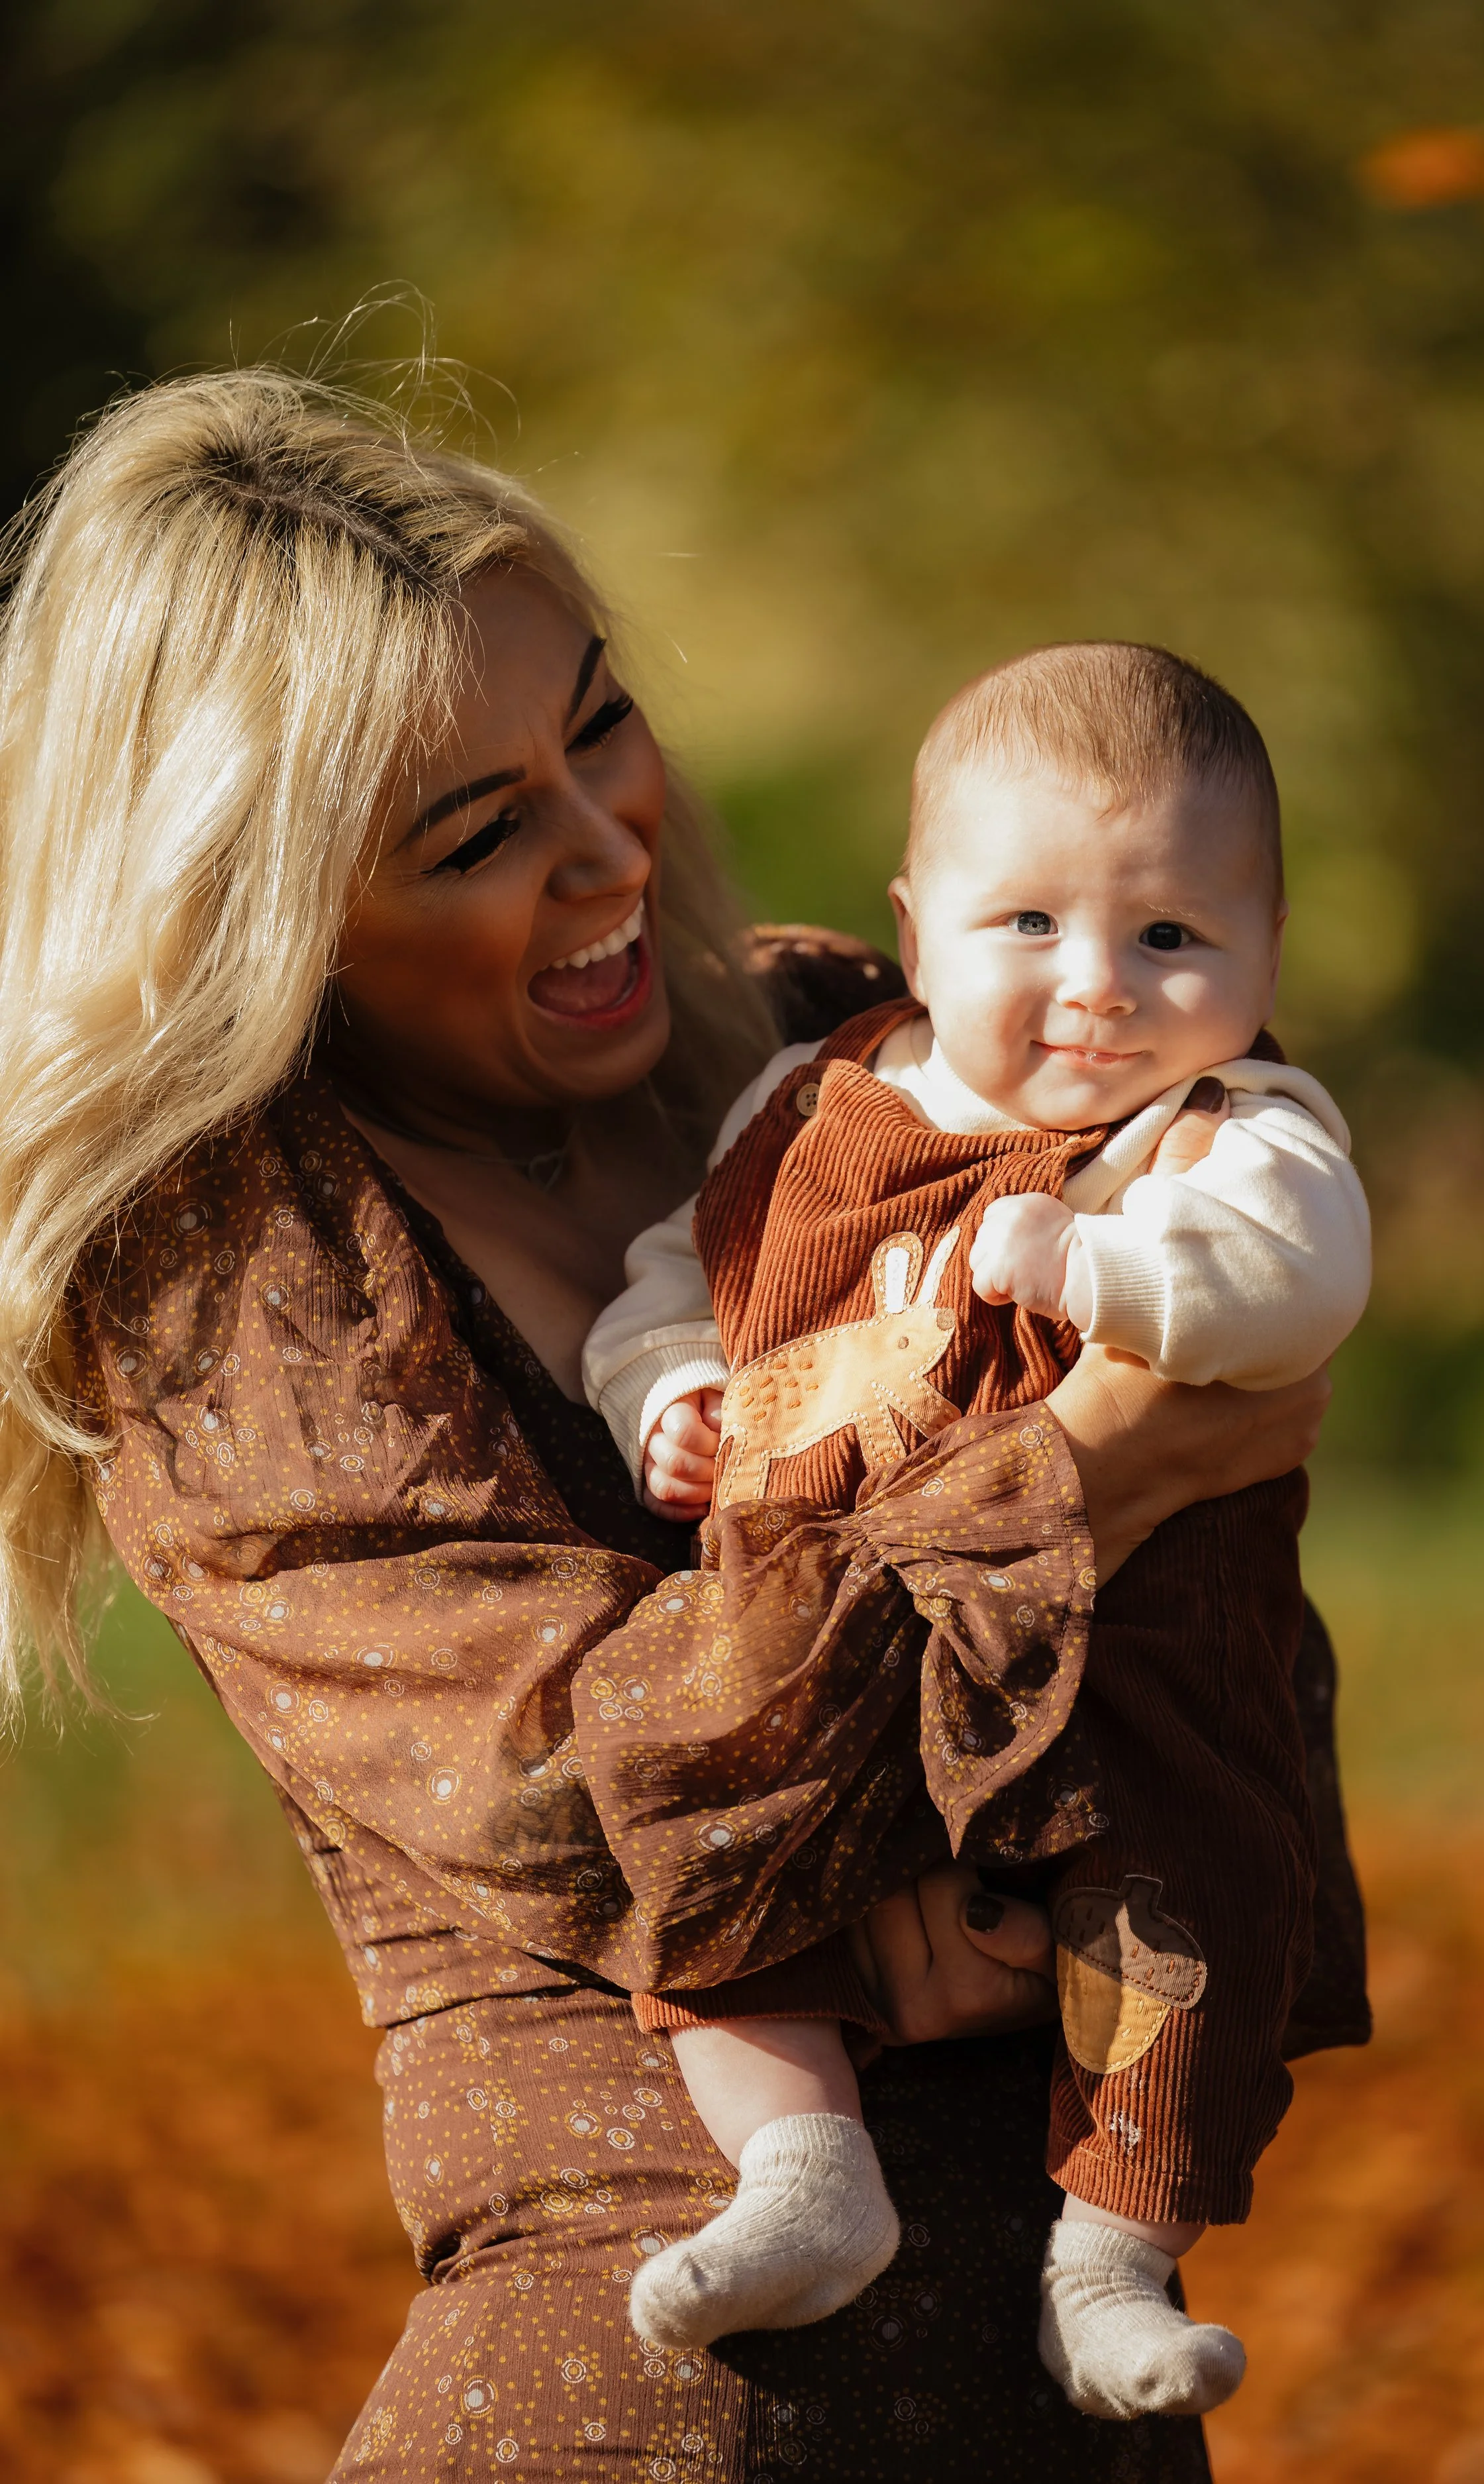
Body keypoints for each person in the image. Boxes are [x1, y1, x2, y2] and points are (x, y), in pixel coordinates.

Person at [0, 366, 1350, 2482]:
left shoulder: (849, 1046)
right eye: (476, 829)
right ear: (272, 913)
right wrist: (1102, 1465)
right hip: (643, 2383)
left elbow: (1244, 1646)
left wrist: (1009, 1773)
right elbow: (579, 1777)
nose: (605, 839)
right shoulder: (230, 1267)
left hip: (1072, 2366)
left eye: (597, 725)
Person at [580, 646, 1370, 2417]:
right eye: (1026, 923)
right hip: (817, 1632)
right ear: (914, 929)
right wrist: (667, 1394)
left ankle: (1108, 2263)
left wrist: (1099, 1266)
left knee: (1173, 1913)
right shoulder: (812, 1105)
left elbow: (1297, 1284)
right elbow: (677, 1279)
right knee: (705, 1823)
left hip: (1126, 1645)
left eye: (1172, 937)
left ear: (1261, 949)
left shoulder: (1226, 1131)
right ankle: (803, 2175)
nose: (1098, 987)